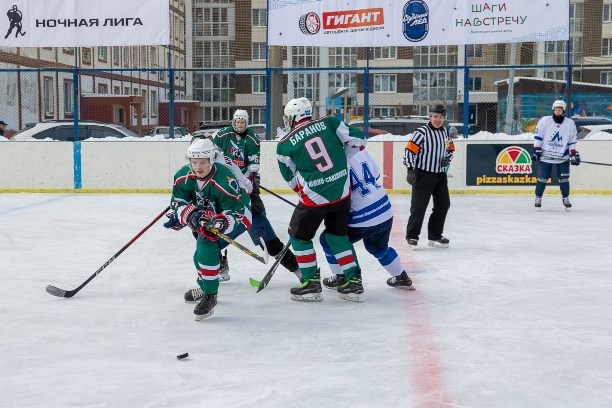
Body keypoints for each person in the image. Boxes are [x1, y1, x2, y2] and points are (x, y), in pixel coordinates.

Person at [277, 97, 366, 302]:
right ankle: (353, 282)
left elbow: (291, 179)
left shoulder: (284, 143)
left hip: (314, 199)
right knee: (337, 236)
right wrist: (340, 160)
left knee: (298, 236)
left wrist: (304, 191)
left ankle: (311, 284)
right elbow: (359, 140)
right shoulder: (330, 122)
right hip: (341, 193)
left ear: (293, 117)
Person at [168, 137, 252, 320]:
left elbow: (236, 211)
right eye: (194, 162)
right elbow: (178, 203)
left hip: (238, 216)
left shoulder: (224, 179)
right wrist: (186, 214)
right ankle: (206, 286)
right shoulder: (182, 176)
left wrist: (221, 223)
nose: (198, 167)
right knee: (199, 255)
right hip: (208, 216)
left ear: (211, 160)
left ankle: (210, 295)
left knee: (206, 249)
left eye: (203, 162)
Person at [215, 109, 302, 280]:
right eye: (237, 121)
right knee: (210, 236)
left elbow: (253, 166)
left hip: (244, 191)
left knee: (267, 238)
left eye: (243, 122)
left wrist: (250, 179)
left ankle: (300, 271)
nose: (240, 125)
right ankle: (220, 266)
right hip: (223, 194)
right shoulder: (220, 138)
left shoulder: (251, 140)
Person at [320, 148, 415, 292]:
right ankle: (402, 277)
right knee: (378, 247)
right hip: (384, 209)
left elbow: (336, 194)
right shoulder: (359, 149)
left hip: (361, 216)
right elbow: (375, 174)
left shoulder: (332, 157)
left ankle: (341, 277)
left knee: (329, 239)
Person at [404, 104, 455, 250]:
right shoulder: (421, 132)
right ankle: (412, 236)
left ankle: (435, 236)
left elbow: (451, 149)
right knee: (419, 207)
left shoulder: (445, 133)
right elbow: (409, 151)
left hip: (439, 174)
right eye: (435, 116)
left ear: (444, 119)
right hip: (423, 174)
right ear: (430, 117)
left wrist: (447, 159)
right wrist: (410, 169)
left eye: (441, 117)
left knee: (443, 204)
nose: (438, 119)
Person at [532, 100, 580, 209]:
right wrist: (536, 149)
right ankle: (538, 197)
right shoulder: (545, 120)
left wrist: (573, 153)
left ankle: (565, 198)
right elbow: (538, 136)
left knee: (564, 179)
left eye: (560, 110)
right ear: (553, 110)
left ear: (563, 111)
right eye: (556, 110)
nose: (558, 112)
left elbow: (572, 141)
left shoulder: (570, 123)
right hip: (546, 156)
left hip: (562, 157)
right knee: (542, 179)